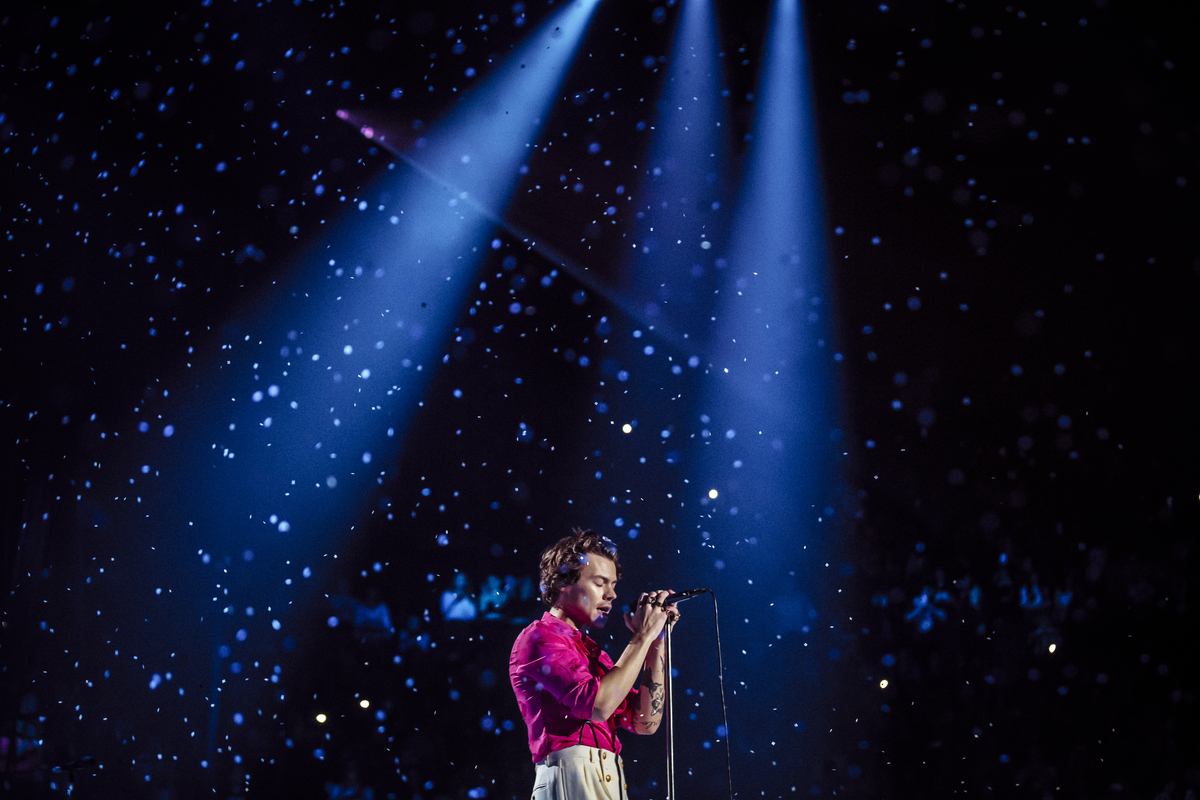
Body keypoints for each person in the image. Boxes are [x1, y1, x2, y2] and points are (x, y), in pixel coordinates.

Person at [509, 528, 679, 799]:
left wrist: (656, 639)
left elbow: (645, 722)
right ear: (563, 582)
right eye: (600, 583)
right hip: (570, 775)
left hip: (609, 775)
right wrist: (642, 636)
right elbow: (598, 706)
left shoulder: (595, 655)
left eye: (614, 585)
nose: (611, 595)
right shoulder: (539, 637)